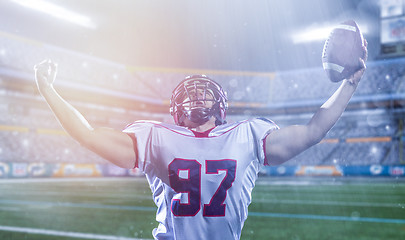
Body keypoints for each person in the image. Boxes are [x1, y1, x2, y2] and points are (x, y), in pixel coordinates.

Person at [34, 41, 367, 240]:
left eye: (204, 95)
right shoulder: (237, 135)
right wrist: (49, 92)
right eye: (191, 96)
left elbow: (312, 132)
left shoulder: (244, 133)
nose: (197, 99)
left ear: (220, 105)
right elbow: (89, 136)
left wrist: (349, 84)